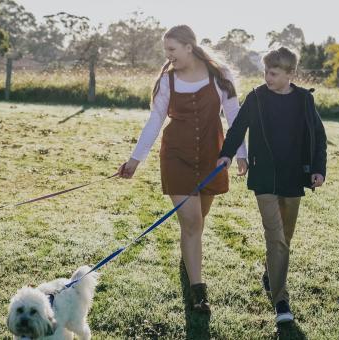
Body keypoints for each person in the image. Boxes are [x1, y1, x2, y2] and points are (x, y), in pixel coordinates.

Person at [118, 25, 248, 312]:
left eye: (172, 50)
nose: (168, 56)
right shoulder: (167, 80)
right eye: (166, 50)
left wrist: (241, 153)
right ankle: (198, 292)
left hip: (213, 157)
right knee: (191, 224)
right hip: (176, 157)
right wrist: (134, 161)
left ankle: (189, 259)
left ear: (189, 47)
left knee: (197, 221)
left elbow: (234, 115)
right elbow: (155, 121)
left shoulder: (220, 75)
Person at [217, 46, 327, 324]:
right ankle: (281, 301)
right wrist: (227, 155)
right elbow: (238, 127)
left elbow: (318, 137)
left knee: (284, 239)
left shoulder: (304, 100)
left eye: (274, 73)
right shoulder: (256, 97)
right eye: (266, 72)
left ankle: (271, 270)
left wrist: (318, 170)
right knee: (275, 237)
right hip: (264, 176)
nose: (268, 77)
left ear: (291, 74)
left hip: (294, 177)